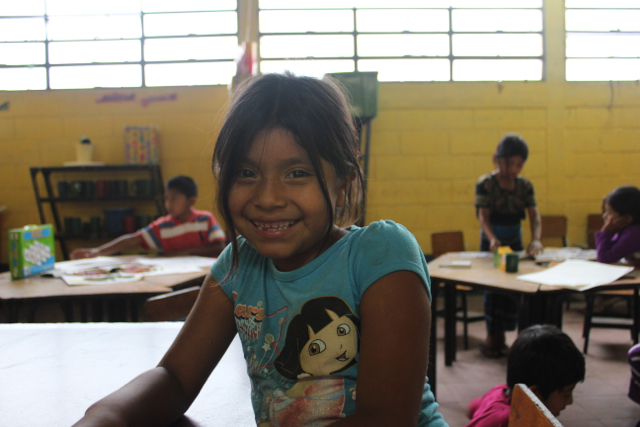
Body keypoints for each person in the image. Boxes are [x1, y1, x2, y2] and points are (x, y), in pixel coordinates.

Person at [72, 73, 448, 427]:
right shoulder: (238, 267)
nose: (267, 198)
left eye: (297, 173)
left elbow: (386, 420)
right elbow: (175, 377)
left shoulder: (379, 255)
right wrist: (104, 417)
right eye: (246, 173)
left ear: (344, 183)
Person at [475, 134, 543, 358]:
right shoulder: (486, 184)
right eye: (509, 163)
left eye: (518, 164)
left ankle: (521, 339)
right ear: (497, 159)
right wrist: (493, 239)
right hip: (492, 243)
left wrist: (536, 239)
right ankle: (494, 338)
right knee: (494, 290)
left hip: (515, 243)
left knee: (516, 288)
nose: (513, 169)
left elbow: (534, 216)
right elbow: (484, 217)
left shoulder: (525, 186)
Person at [69, 175, 226, 260]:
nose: (168, 204)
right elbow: (134, 239)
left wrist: (188, 252)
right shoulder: (163, 226)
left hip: (207, 279)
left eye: (175, 198)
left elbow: (220, 247)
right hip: (179, 280)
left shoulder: (205, 219)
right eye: (166, 198)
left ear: (191, 201)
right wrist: (97, 251)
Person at [467, 324, 585, 427]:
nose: (570, 401)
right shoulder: (512, 421)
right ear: (533, 394)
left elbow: (473, 407)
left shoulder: (499, 391)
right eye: (566, 394)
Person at [595, 185, 640, 266]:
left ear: (626, 218)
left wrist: (606, 231)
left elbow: (604, 258)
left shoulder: (634, 234)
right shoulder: (628, 231)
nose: (604, 216)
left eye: (609, 213)